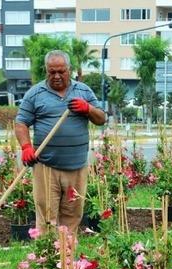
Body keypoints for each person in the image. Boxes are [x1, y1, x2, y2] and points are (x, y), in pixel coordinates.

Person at [15, 50, 107, 235]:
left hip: (77, 167)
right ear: (46, 70)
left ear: (69, 70)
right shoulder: (35, 93)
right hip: (47, 167)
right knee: (47, 216)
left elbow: (101, 118)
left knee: (72, 215)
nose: (56, 76)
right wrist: (26, 147)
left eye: (61, 71)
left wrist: (87, 108)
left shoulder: (83, 91)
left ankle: (66, 259)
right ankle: (47, 258)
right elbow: (21, 123)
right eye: (52, 72)